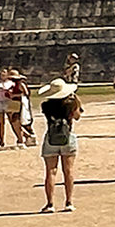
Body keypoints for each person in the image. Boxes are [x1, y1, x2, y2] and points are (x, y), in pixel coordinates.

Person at [37, 78, 80, 211]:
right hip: (68, 136)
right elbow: (77, 116)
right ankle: (69, 202)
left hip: (51, 137)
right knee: (68, 171)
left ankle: (50, 203)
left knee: (51, 171)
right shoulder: (70, 105)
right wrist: (76, 101)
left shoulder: (46, 105)